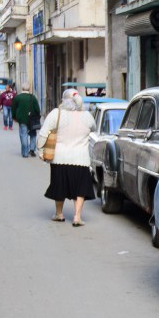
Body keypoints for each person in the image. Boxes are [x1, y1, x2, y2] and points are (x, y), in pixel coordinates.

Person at [36, 88, 96, 225]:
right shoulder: (87, 116)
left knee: (59, 186)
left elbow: (43, 133)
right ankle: (77, 217)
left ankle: (59, 214)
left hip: (60, 157)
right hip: (81, 158)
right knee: (80, 188)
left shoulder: (56, 114)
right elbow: (94, 128)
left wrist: (40, 151)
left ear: (64, 100)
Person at [11, 90, 41, 157]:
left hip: (22, 119)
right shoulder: (33, 97)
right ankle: (32, 149)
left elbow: (13, 108)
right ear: (28, 89)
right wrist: (37, 116)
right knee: (33, 134)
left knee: (23, 135)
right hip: (32, 119)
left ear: (22, 89)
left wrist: (14, 117)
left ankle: (25, 153)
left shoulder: (17, 97)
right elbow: (37, 109)